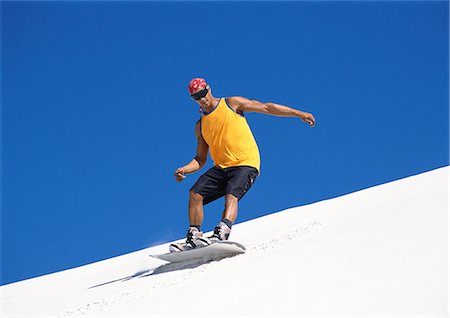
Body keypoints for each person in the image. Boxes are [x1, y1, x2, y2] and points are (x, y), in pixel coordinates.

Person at [170, 78, 315, 252]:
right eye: (196, 97)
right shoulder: (200, 126)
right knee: (195, 193)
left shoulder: (231, 103)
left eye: (202, 94)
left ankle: (222, 233)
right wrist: (184, 169)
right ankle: (194, 236)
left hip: (245, 163)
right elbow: (200, 159)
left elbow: (267, 107)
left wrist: (299, 114)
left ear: (209, 89)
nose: (202, 99)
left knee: (231, 196)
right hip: (221, 167)